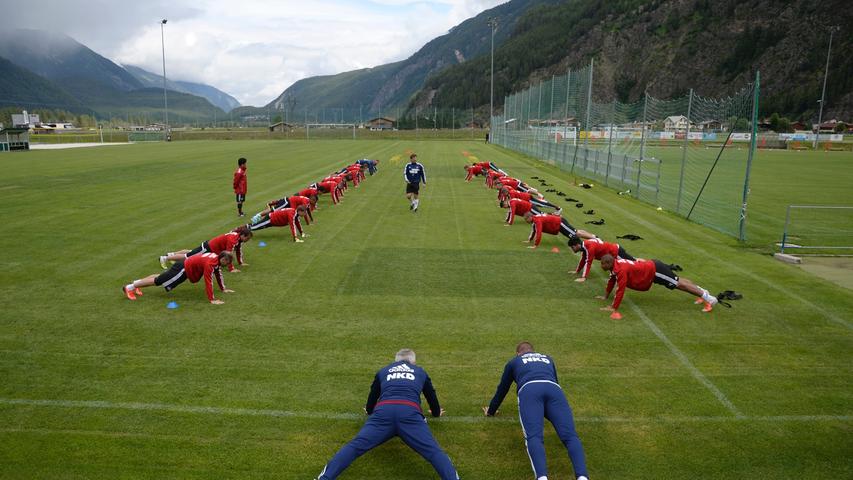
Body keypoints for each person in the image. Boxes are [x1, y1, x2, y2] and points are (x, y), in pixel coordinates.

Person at [316, 349, 459, 480]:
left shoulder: (383, 371)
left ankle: (325, 478)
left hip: (383, 413)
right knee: (433, 452)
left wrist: (370, 410)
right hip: (409, 414)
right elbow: (431, 395)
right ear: (413, 361)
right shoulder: (420, 371)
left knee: (355, 447)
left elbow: (373, 395)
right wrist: (435, 413)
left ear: (396, 361)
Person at [484, 341, 589, 480]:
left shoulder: (514, 362)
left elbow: (502, 389)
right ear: (533, 351)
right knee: (570, 436)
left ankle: (542, 477)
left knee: (534, 437)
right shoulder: (548, 358)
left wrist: (491, 410)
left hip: (530, 391)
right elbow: (554, 380)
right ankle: (583, 477)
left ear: (518, 353)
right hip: (554, 390)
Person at [597, 254, 718, 318]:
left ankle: (709, 299)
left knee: (679, 285)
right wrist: (605, 296)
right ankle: (703, 292)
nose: (601, 266)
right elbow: (611, 281)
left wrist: (613, 307)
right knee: (678, 281)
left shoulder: (620, 270)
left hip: (655, 270)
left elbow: (620, 289)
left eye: (602, 264)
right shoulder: (615, 267)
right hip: (652, 269)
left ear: (608, 263)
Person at [122, 251, 234, 304]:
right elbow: (208, 281)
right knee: (158, 281)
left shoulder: (216, 259)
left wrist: (223, 288)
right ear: (223, 259)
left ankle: (137, 283)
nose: (227, 264)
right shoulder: (212, 264)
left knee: (161, 277)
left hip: (183, 266)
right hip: (183, 269)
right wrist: (212, 299)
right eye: (227, 262)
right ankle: (129, 287)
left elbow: (218, 274)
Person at [159, 225, 252, 272]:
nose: (247, 240)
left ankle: (171, 255)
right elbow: (228, 254)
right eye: (247, 238)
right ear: (243, 235)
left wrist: (241, 262)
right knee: (188, 256)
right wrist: (231, 268)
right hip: (209, 248)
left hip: (210, 247)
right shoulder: (233, 239)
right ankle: (164, 258)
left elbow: (238, 250)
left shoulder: (238, 239)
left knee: (191, 252)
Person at [568, 236, 634, 282]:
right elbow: (583, 259)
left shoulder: (589, 247)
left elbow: (588, 262)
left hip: (616, 252)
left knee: (633, 264)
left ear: (577, 245)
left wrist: (583, 277)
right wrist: (577, 271)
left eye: (572, 247)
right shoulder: (585, 245)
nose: (572, 249)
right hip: (614, 251)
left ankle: (643, 266)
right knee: (632, 261)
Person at [524, 212, 594, 248]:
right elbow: (534, 230)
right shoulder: (535, 219)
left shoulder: (536, 220)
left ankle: (594, 239)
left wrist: (535, 245)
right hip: (559, 224)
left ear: (530, 217)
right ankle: (594, 237)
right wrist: (529, 240)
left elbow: (539, 232)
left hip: (560, 223)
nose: (526, 221)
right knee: (576, 232)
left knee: (575, 236)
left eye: (526, 219)